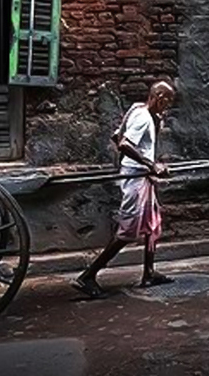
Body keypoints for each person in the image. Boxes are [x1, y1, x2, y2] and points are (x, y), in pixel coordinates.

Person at [72, 81, 176, 297]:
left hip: (141, 176)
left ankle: (148, 273)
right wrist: (150, 165)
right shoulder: (142, 116)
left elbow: (116, 136)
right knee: (127, 231)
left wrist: (155, 128)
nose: (167, 106)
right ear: (159, 97)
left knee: (152, 224)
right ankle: (87, 276)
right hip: (135, 178)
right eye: (167, 101)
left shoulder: (139, 110)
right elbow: (124, 144)